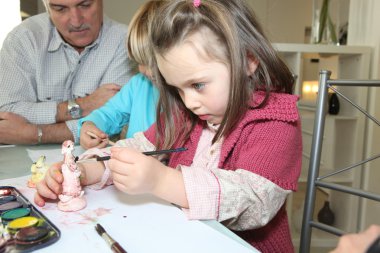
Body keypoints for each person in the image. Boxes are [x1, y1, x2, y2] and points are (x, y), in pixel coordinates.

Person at [34, 0, 302, 252]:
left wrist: (162, 180)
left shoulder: (275, 122)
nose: (189, 102)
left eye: (197, 85)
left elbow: (255, 201)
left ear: (248, 61)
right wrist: (83, 172)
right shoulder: (186, 115)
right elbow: (139, 147)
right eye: (178, 89)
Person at [0, 0, 131, 145]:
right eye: (60, 9)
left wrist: (35, 133)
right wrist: (84, 105)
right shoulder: (24, 38)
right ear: (48, 8)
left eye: (85, 5)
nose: (76, 21)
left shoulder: (125, 41)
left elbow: (109, 122)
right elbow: (6, 114)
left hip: (94, 162)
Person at [79, 1, 161, 149]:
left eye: (155, 63)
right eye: (141, 61)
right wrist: (90, 125)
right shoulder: (139, 84)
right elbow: (110, 113)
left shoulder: (192, 99)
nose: (148, 71)